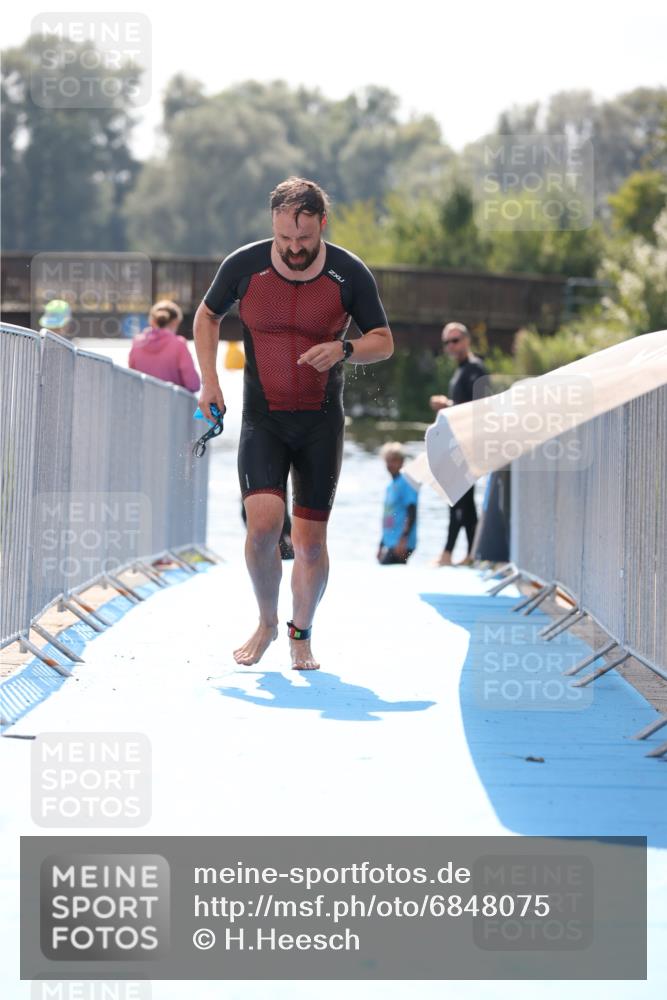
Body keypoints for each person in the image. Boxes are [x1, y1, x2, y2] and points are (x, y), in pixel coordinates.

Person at [193, 176, 393, 670]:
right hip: (264, 418)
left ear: (322, 224)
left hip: (320, 423)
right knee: (263, 527)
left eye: (303, 239)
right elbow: (206, 317)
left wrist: (345, 348)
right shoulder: (245, 266)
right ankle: (266, 621)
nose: (294, 249)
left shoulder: (349, 274)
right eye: (284, 238)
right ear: (274, 226)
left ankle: (300, 633)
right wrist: (209, 381)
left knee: (309, 544)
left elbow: (383, 340)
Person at [429, 322, 488, 566]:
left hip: (468, 444)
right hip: (458, 444)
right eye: (447, 342)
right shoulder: (461, 370)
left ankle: (448, 553)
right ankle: (472, 553)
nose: (451, 346)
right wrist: (450, 403)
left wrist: (448, 407)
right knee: (463, 500)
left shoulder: (475, 368)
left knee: (458, 498)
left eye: (455, 340)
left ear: (466, 341)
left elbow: (480, 406)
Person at [129, 300, 200, 392]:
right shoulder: (179, 344)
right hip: (171, 403)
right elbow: (193, 384)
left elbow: (132, 376)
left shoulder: (137, 342)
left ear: (152, 321)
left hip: (142, 401)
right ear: (175, 322)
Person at [377, 442, 418, 565]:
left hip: (402, 542)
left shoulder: (406, 483)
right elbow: (388, 515)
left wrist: (404, 538)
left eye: (394, 460)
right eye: (388, 461)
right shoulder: (390, 486)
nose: (390, 464)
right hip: (390, 541)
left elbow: (412, 511)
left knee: (388, 570)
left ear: (402, 462)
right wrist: (381, 544)